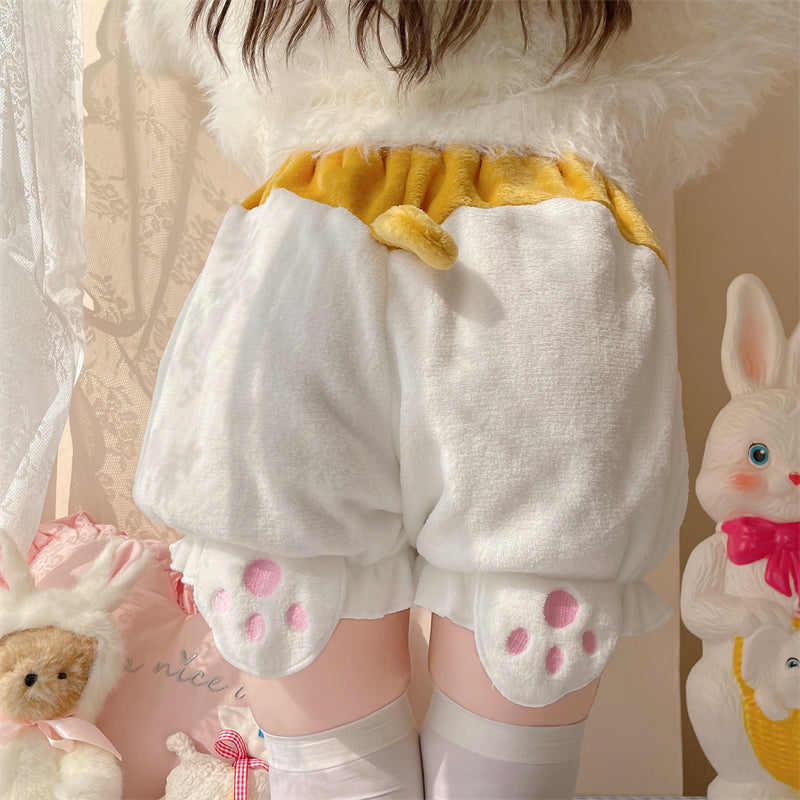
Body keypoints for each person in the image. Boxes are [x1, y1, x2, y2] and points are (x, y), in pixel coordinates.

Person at [124, 2, 798, 797]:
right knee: (514, 690)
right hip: (546, 263)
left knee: (325, 701)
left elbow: (162, 38)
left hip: (312, 256)